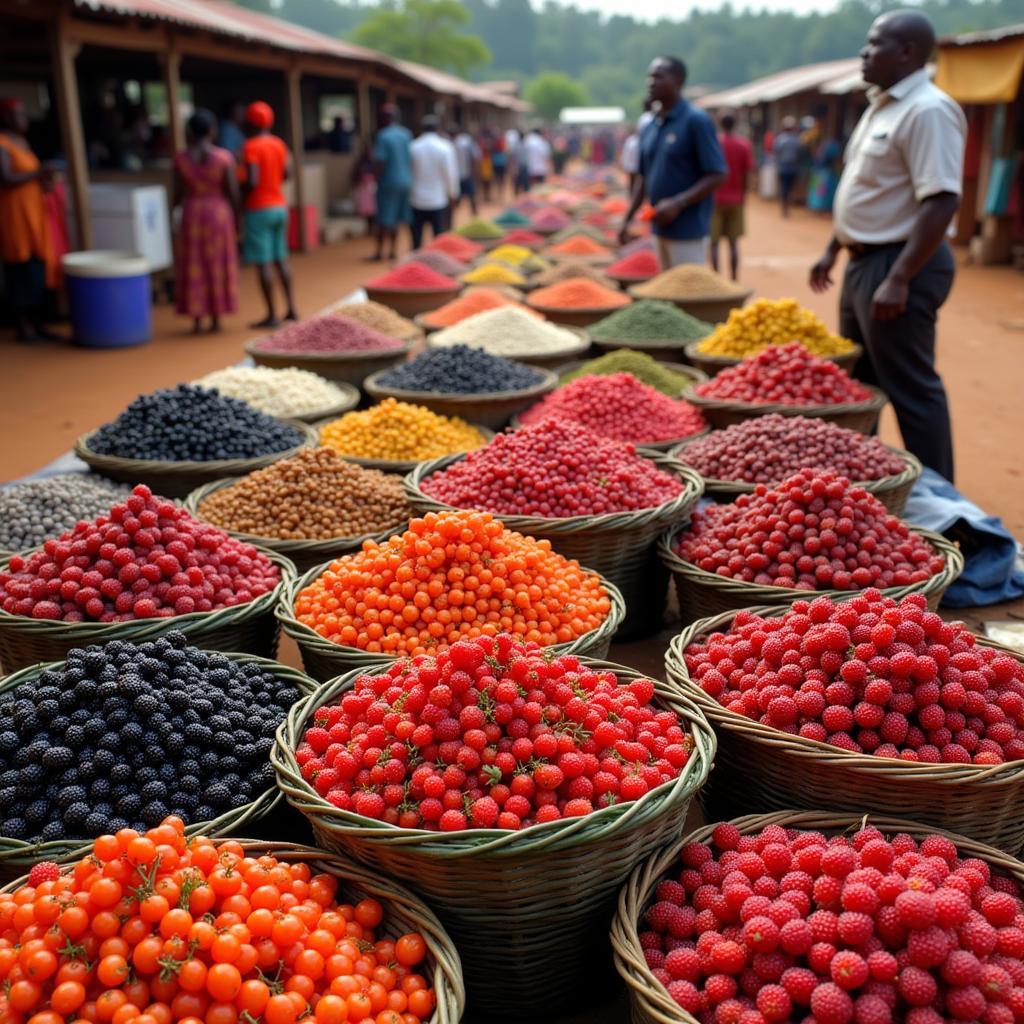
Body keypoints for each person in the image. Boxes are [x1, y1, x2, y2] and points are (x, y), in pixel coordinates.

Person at [809, 9, 965, 482]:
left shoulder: (928, 110)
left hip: (899, 264)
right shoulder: (883, 105)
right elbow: (872, 190)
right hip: (865, 262)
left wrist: (900, 277)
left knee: (912, 389)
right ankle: (872, 489)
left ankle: (941, 498)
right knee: (862, 387)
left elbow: (941, 200)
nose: (864, 52)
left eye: (874, 44)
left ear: (907, 52)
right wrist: (834, 247)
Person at [619, 56, 727, 267]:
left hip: (688, 231)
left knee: (688, 294)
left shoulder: (695, 120)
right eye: (649, 77)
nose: (650, 82)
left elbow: (718, 173)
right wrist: (627, 218)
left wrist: (679, 202)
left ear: (678, 80)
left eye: (658, 76)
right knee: (666, 293)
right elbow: (643, 176)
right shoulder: (651, 125)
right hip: (658, 228)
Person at [172, 108, 240, 334]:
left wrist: (172, 216)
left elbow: (177, 194)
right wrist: (238, 220)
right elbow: (232, 191)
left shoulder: (180, 159)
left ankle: (197, 318)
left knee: (194, 262)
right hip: (218, 214)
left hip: (192, 214)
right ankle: (216, 317)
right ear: (212, 131)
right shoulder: (223, 158)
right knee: (217, 262)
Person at [0, 98, 60, 342]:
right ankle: (23, 325)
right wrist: (38, 172)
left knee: (36, 269)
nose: (24, 119)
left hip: (34, 214)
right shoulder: (2, 143)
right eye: (18, 114)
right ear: (5, 118)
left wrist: (45, 181)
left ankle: (38, 322)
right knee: (20, 270)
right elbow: (6, 178)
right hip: (15, 217)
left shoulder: (22, 143)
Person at [241, 100, 297, 328]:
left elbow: (252, 180)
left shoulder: (251, 146)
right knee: (280, 259)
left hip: (258, 208)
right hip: (279, 206)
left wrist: (243, 196)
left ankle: (272, 314)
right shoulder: (279, 144)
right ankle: (291, 308)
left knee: (263, 263)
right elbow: (287, 174)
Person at [709, 112, 753, 281]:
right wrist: (744, 195)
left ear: (720, 124)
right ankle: (734, 280)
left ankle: (716, 280)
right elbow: (746, 174)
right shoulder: (743, 145)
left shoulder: (715, 144)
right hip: (736, 199)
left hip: (715, 199)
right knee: (733, 243)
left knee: (714, 243)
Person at [409, 115, 459, 250]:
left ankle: (416, 264)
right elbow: (450, 175)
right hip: (438, 200)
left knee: (416, 241)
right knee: (439, 240)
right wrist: (453, 195)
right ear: (438, 129)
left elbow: (409, 172)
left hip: (416, 199)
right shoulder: (445, 147)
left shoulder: (413, 147)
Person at [371, 104, 412, 261]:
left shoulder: (383, 136)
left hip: (388, 182)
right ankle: (393, 251)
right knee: (397, 219)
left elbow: (380, 161)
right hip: (405, 181)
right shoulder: (406, 134)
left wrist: (375, 179)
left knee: (383, 220)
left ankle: (379, 252)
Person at [773, 116, 802, 218]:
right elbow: (799, 154)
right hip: (792, 168)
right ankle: (786, 206)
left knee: (785, 188)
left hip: (784, 168)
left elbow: (776, 152)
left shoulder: (780, 139)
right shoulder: (796, 140)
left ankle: (785, 206)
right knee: (789, 188)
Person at [807, 134, 843, 214]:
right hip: (823, 173)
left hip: (818, 172)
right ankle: (820, 207)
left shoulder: (825, 147)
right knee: (821, 191)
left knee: (818, 190)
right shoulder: (831, 147)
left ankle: (817, 206)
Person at [452, 123, 480, 216]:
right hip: (457, 176)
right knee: (457, 199)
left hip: (465, 174)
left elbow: (474, 158)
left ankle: (475, 216)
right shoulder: (449, 142)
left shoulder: (465, 142)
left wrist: (474, 172)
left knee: (471, 197)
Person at [351, 137, 377, 235]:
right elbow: (354, 174)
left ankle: (373, 227)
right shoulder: (361, 161)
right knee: (367, 209)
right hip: (364, 188)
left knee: (374, 209)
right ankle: (369, 227)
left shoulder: (375, 160)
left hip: (372, 186)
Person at [620, 124, 641, 192]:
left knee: (636, 182)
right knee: (632, 182)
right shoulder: (631, 140)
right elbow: (626, 153)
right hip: (631, 165)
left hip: (635, 165)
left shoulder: (637, 140)